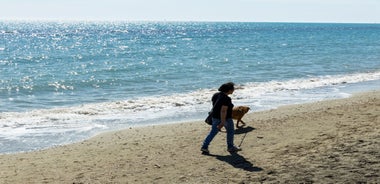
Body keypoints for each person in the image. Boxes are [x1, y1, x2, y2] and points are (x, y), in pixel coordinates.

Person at [201, 82, 242, 154]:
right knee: (230, 131)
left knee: (213, 132)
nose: (234, 90)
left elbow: (216, 106)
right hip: (225, 118)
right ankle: (230, 147)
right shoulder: (226, 98)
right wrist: (222, 122)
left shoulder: (215, 95)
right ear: (229, 90)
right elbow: (223, 111)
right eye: (233, 89)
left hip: (215, 116)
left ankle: (204, 146)